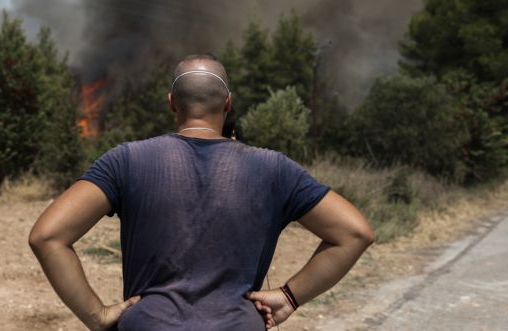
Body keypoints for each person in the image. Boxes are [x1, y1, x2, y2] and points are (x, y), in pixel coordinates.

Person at [29, 53, 374, 330]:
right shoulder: (273, 168)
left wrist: (97, 315)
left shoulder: (126, 160)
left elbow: (48, 236)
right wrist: (288, 296)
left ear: (171, 103)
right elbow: (354, 233)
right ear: (227, 104)